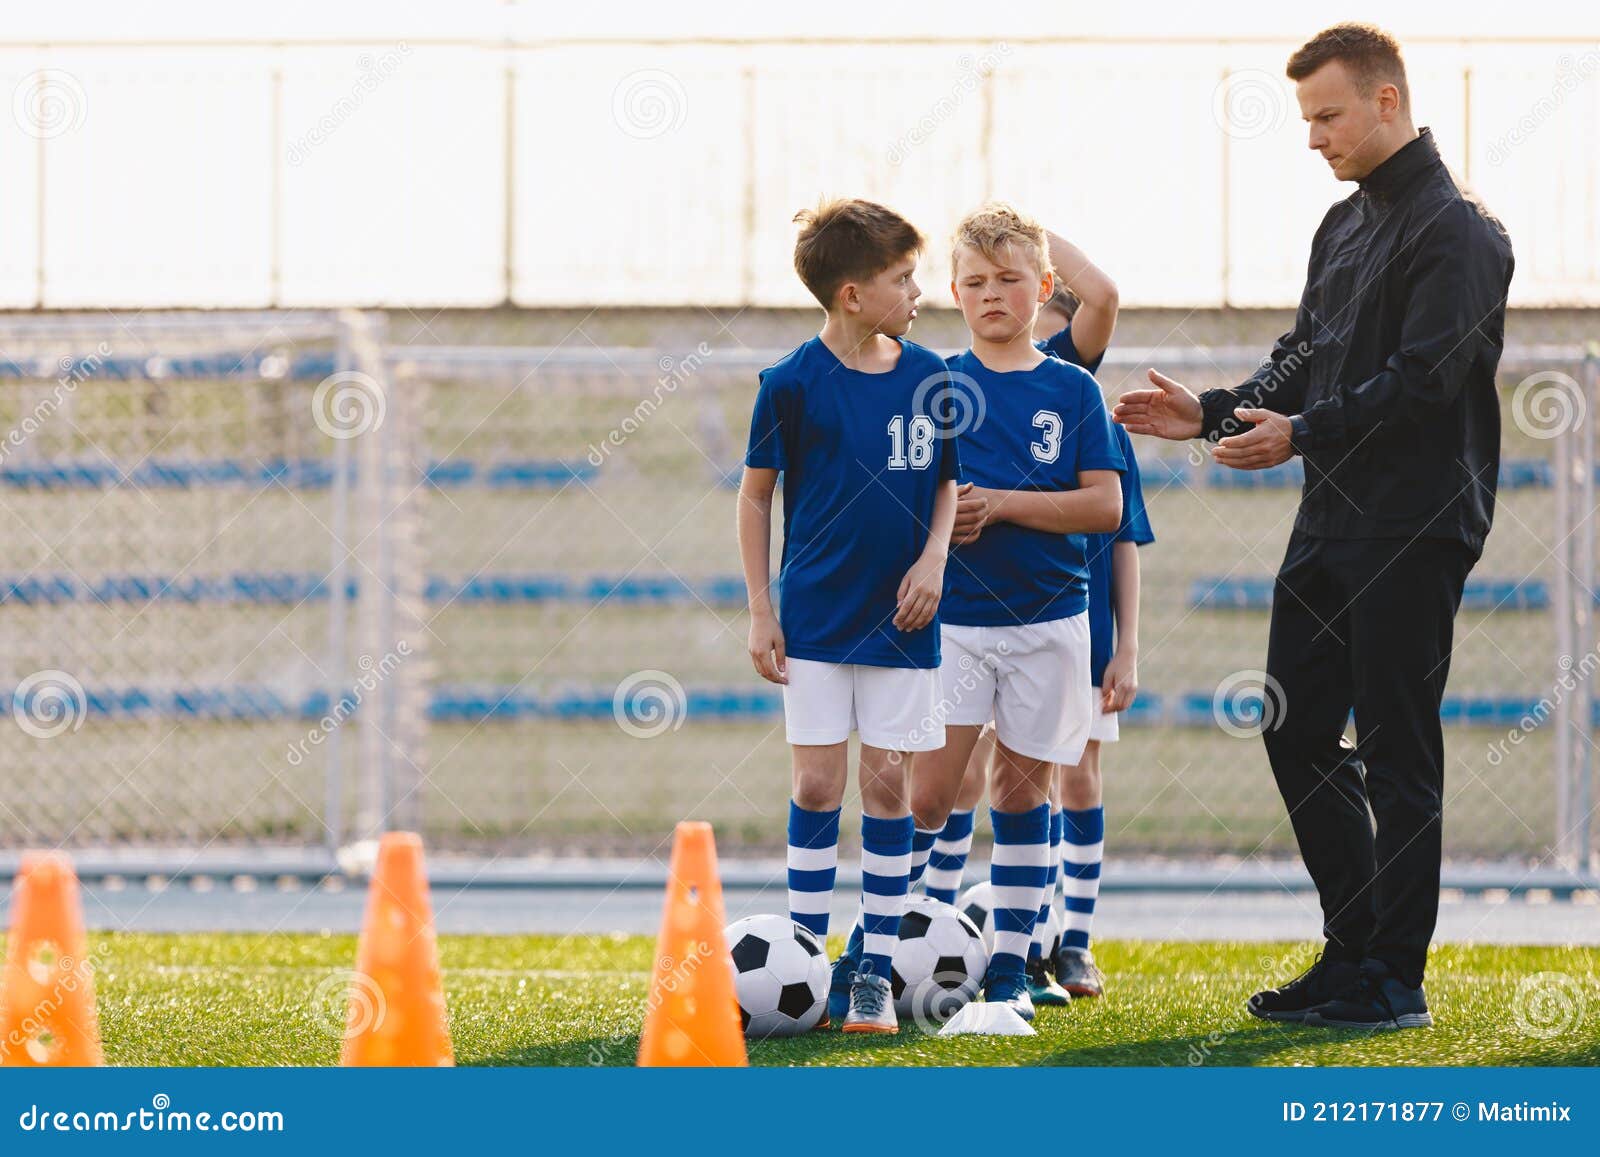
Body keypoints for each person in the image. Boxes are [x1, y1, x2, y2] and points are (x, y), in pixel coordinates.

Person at [1114, 23, 1513, 1031]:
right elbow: (1304, 352)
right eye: (1305, 119)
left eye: (1326, 115)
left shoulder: (1460, 229)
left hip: (1413, 523)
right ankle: (1351, 953)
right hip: (1329, 515)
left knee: (1394, 749)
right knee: (1292, 724)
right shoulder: (1341, 227)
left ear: (1387, 101)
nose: (1313, 138)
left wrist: (1301, 433)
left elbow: (1424, 381)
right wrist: (1213, 411)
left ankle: (1395, 979)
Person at [739, 197, 959, 1034]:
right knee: (817, 783)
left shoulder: (931, 376)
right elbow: (755, 500)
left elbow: (944, 481)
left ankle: (870, 970)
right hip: (818, 619)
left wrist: (936, 556)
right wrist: (763, 607)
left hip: (904, 622)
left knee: (887, 788)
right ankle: (800, 954)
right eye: (903, 279)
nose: (918, 292)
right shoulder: (790, 383)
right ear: (852, 295)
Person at [922, 234, 1151, 1007]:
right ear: (953, 291)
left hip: (1055, 624)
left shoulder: (1075, 391)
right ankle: (893, 947)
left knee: (1033, 791)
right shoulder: (933, 386)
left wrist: (1006, 505)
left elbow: (1112, 518)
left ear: (1042, 286)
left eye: (1011, 278)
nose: (992, 293)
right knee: (930, 793)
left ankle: (1025, 962)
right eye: (975, 279)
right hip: (953, 623)